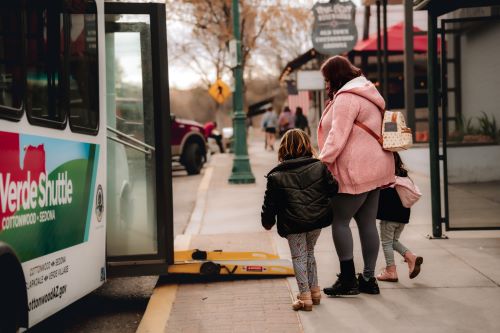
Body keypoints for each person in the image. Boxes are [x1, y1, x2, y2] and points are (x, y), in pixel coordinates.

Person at [317, 55, 395, 296]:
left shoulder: (346, 99)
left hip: (355, 170)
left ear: (335, 76)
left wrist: (321, 163)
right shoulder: (368, 93)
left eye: (327, 79)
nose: (326, 84)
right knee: (367, 222)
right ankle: (369, 279)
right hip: (378, 168)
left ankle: (349, 280)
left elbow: (337, 137)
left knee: (339, 220)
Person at [261, 129, 338, 311]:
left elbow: (269, 204)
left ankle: (305, 297)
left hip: (293, 223)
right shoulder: (319, 167)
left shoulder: (276, 176)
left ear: (283, 149)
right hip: (316, 220)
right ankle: (315, 292)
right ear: (307, 146)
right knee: (310, 253)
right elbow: (333, 189)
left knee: (299, 256)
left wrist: (267, 221)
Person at [376, 152, 423, 282]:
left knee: (386, 243)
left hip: (389, 218)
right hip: (402, 217)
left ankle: (391, 271)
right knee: (393, 242)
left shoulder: (387, 179)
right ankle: (411, 257)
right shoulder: (404, 177)